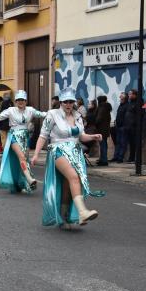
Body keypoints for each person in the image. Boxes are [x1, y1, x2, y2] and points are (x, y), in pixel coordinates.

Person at [31, 87, 104, 229]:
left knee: (68, 185)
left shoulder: (77, 116)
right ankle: (82, 211)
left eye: (71, 101)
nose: (68, 104)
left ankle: (64, 216)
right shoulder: (52, 114)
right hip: (58, 150)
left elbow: (81, 136)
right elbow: (43, 135)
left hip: (75, 152)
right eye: (65, 102)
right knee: (74, 177)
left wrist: (93, 136)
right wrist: (36, 154)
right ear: (61, 102)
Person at [0, 90, 46, 193]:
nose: (20, 102)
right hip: (14, 136)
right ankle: (29, 179)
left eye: (22, 100)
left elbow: (42, 114)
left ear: (26, 101)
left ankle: (20, 183)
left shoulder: (30, 110)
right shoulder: (11, 110)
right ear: (15, 101)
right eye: (18, 100)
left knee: (23, 160)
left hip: (25, 137)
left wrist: (56, 113)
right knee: (22, 157)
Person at [111, 92, 127, 163]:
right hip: (118, 126)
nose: (120, 96)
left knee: (122, 143)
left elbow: (126, 117)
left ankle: (120, 157)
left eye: (122, 95)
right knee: (117, 142)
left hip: (123, 127)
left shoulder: (127, 105)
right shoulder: (120, 105)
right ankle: (115, 157)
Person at [95, 95, 112, 166]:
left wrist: (95, 123)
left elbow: (99, 118)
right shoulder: (107, 107)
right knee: (104, 144)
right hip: (105, 129)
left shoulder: (102, 107)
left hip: (101, 129)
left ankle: (104, 160)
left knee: (103, 144)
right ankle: (103, 158)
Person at [124, 90, 139, 163]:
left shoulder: (138, 103)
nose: (129, 95)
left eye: (130, 94)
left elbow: (138, 116)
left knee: (135, 143)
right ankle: (131, 158)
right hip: (128, 126)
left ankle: (135, 159)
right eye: (129, 94)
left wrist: (133, 123)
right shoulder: (129, 103)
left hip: (134, 127)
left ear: (135, 95)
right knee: (131, 143)